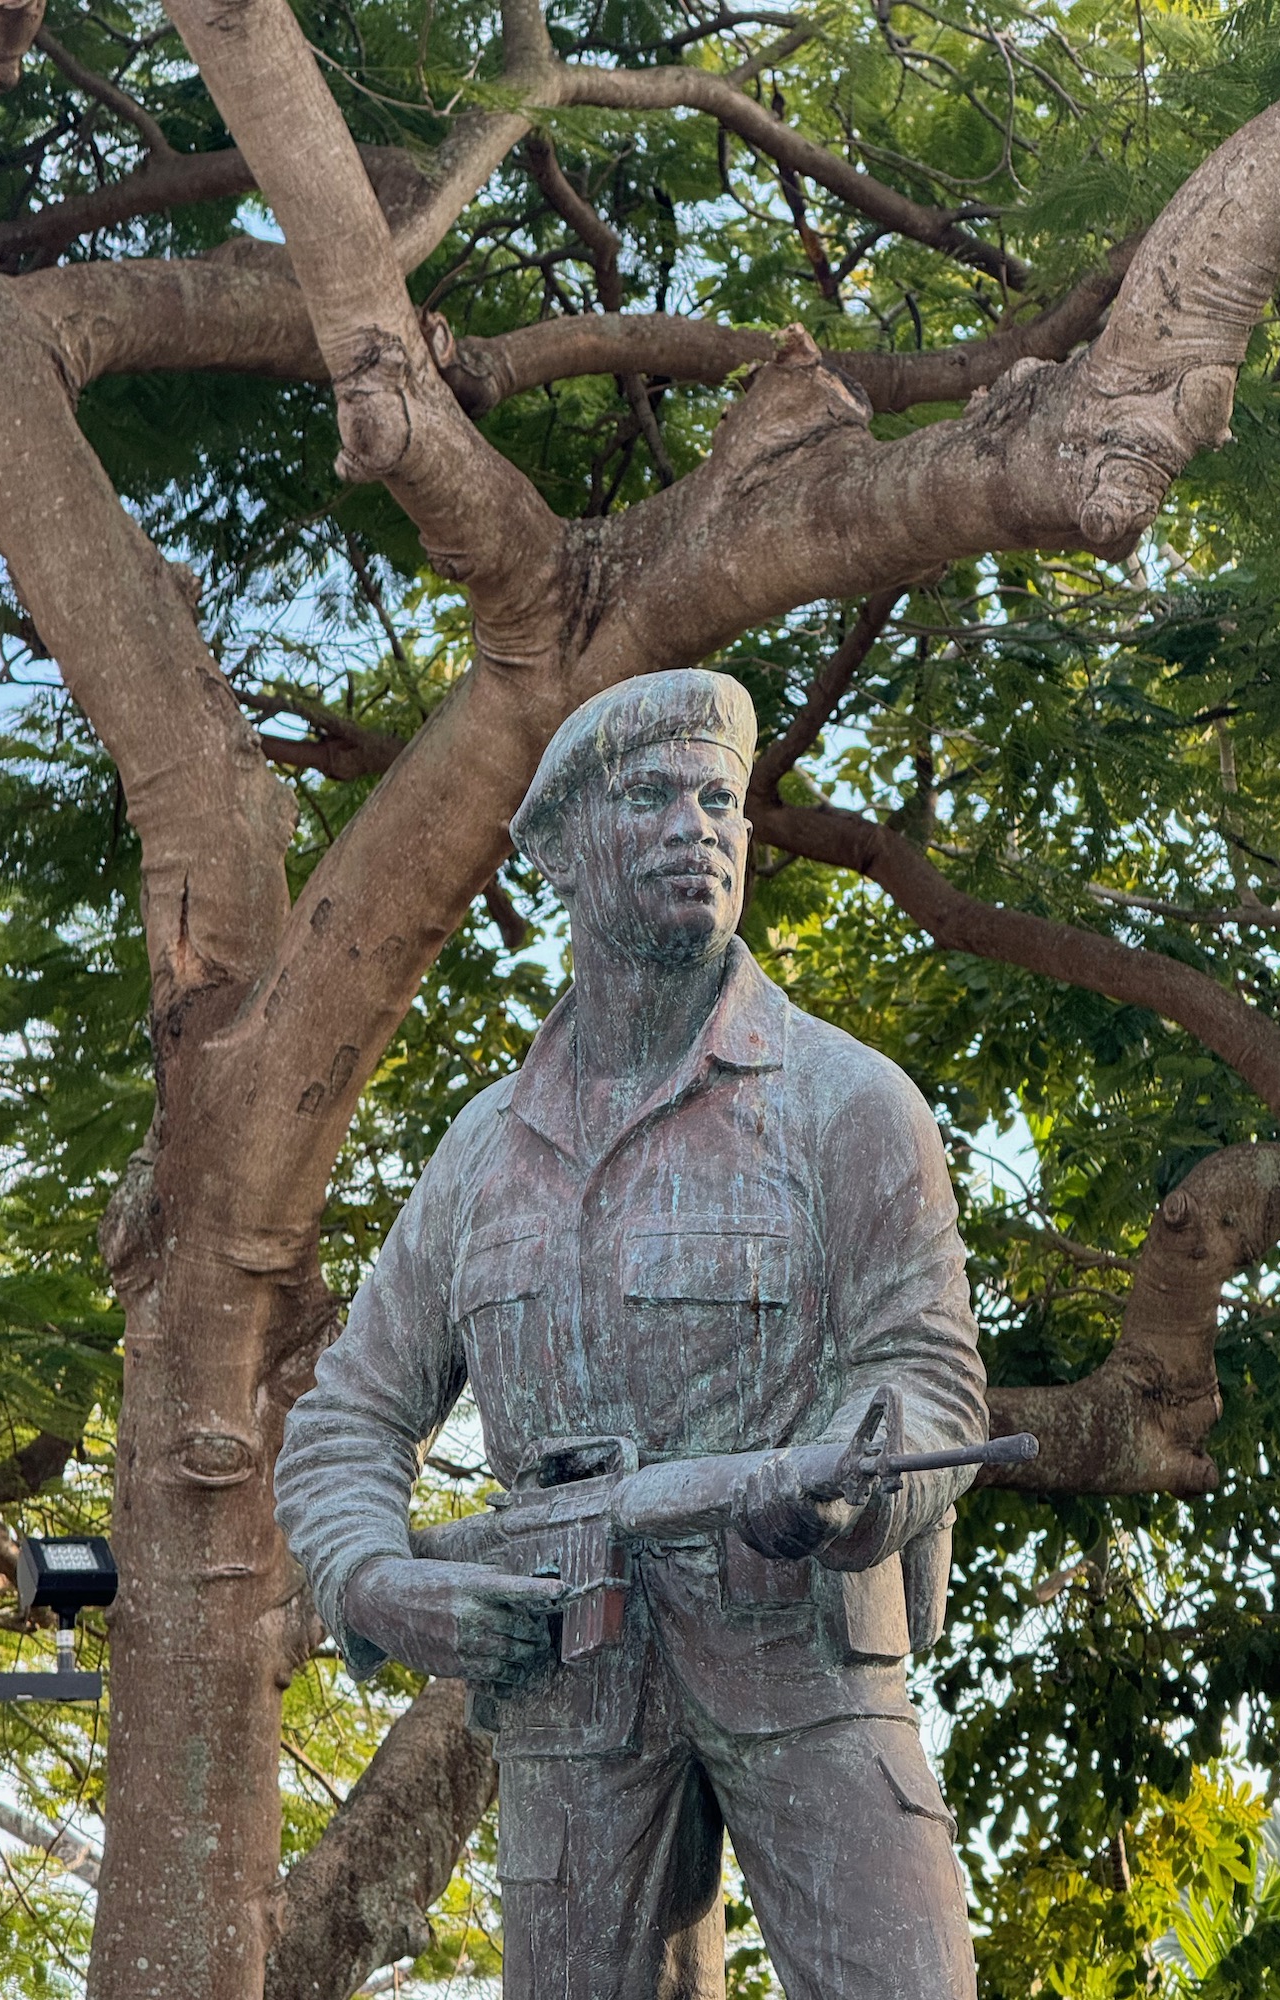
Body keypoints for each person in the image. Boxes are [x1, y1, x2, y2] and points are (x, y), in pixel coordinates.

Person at [274, 669, 989, 1999]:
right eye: (653, 796)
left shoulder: (851, 1106)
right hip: (575, 1699)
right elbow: (349, 1420)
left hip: (807, 1673)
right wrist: (376, 1581)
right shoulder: (481, 1156)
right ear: (556, 849)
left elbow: (929, 1379)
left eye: (721, 801)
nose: (698, 827)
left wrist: (846, 1489)